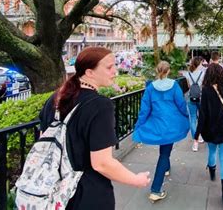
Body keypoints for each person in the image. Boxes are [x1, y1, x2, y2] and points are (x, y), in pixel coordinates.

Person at [39, 47, 150, 209]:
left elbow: (43, 138)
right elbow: (102, 163)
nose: (115, 71)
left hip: (54, 192)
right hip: (86, 195)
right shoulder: (100, 105)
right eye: (109, 67)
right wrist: (136, 179)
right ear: (89, 73)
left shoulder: (55, 98)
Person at [133, 61, 189, 203]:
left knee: (164, 150)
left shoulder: (151, 87)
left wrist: (138, 125)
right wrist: (186, 115)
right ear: (168, 71)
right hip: (171, 125)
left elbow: (144, 109)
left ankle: (166, 168)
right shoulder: (174, 85)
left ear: (157, 70)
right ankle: (155, 190)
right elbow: (181, 104)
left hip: (157, 124)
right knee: (164, 153)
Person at [195, 63, 223, 208]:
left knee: (212, 151)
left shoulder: (206, 91)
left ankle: (212, 172)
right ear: (221, 73)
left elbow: (202, 115)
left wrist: (197, 134)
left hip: (210, 130)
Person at [184, 56, 205, 152]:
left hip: (190, 97)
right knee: (202, 117)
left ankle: (195, 138)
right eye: (201, 63)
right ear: (199, 64)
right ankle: (201, 135)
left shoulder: (188, 74)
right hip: (201, 97)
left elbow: (189, 86)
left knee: (192, 118)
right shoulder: (203, 73)